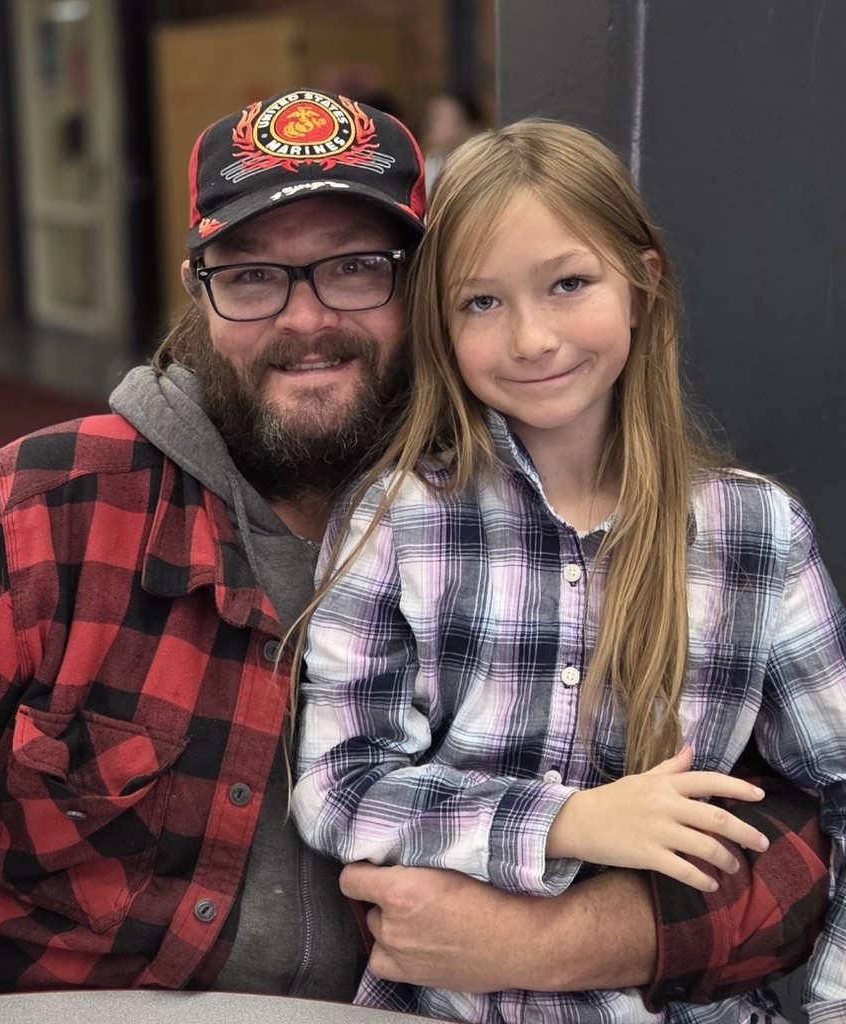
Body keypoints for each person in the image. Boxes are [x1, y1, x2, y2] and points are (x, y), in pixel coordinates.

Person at [0, 91, 826, 1021]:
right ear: (198, 294)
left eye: (354, 268)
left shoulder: (564, 545)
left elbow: (791, 841)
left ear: (420, 290)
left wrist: (562, 941)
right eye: (252, 275)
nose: (305, 319)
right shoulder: (37, 516)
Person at [291, 118, 846, 1023]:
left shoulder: (756, 533)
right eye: (481, 303)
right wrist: (566, 823)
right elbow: (338, 784)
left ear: (642, 283)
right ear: (441, 326)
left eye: (569, 284)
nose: (533, 338)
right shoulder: (398, 519)